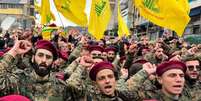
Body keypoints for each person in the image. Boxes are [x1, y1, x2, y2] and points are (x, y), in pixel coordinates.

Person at [0, 40, 83, 101]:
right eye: (40, 55)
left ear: (53, 62)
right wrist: (14, 51)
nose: (44, 60)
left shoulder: (62, 87)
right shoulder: (18, 80)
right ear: (33, 58)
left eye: (48, 57)